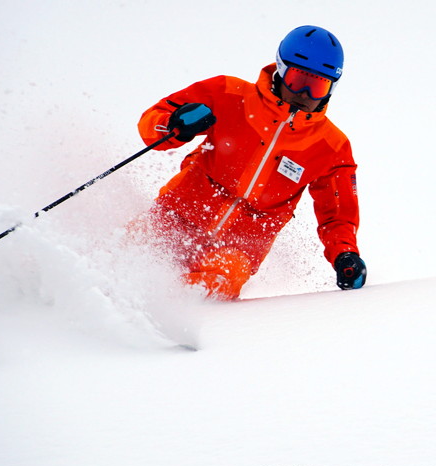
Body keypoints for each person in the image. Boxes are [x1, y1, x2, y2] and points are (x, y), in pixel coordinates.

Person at [135, 25, 366, 300]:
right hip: (175, 218)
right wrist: (173, 124)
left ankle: (173, 326)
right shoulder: (227, 93)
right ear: (281, 69)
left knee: (210, 287)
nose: (304, 93)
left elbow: (337, 215)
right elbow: (153, 121)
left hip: (235, 251)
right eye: (297, 79)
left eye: (317, 85)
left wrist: (345, 254)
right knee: (127, 259)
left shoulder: (331, 147)